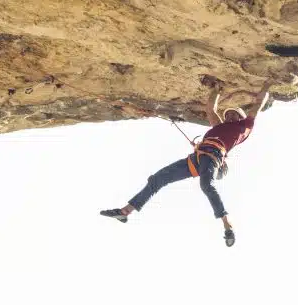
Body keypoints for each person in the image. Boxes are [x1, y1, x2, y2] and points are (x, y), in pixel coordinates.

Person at [101, 85, 268, 246]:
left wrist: (266, 87)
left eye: (233, 115)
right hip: (197, 158)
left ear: (240, 118)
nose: (229, 116)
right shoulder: (219, 126)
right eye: (228, 114)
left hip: (213, 156)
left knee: (206, 185)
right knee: (158, 177)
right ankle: (125, 212)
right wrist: (217, 89)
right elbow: (211, 109)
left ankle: (227, 224)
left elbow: (257, 105)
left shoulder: (244, 127)